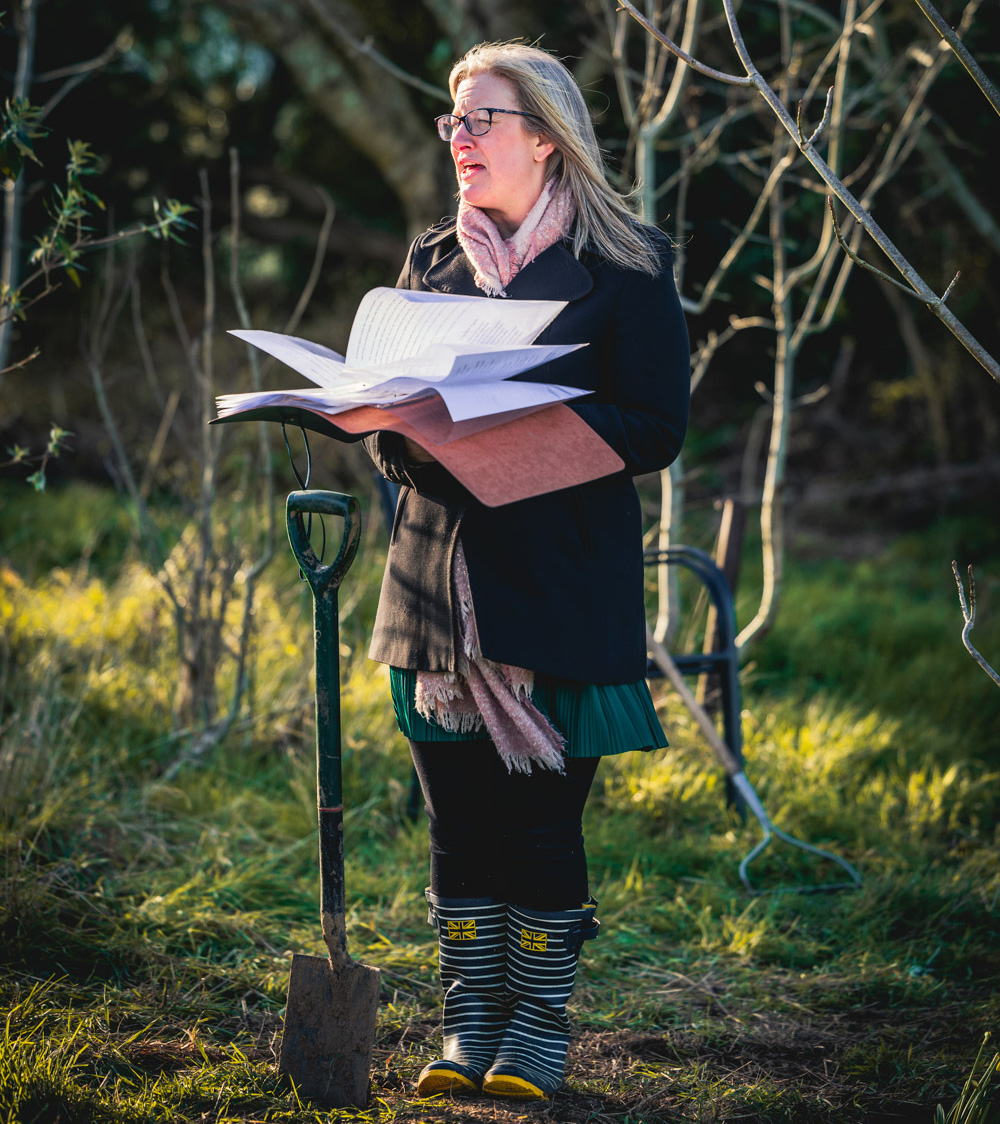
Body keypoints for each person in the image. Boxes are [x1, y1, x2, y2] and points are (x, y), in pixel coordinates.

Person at [363, 40, 690, 1101]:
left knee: (541, 825)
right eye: (451, 122)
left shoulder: (625, 264)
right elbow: (390, 437)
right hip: (435, 593)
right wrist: (401, 425)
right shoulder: (431, 263)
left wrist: (525, 431)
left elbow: (656, 424)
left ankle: (538, 1028)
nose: (460, 139)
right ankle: (470, 1022)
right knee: (457, 827)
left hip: (558, 588)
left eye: (482, 120)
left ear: (544, 137)